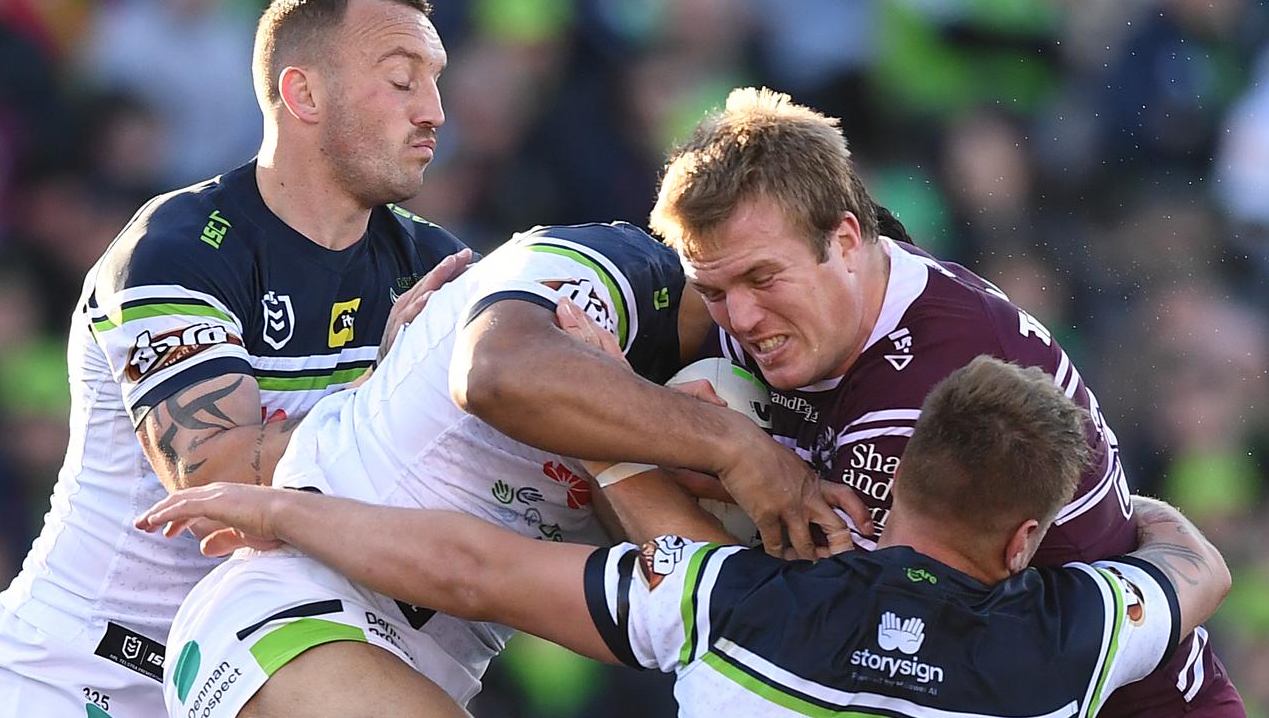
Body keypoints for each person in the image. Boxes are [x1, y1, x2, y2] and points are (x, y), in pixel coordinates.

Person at [136, 356, 1233, 716]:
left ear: (895, 478)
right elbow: (1194, 566)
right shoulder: (1069, 638)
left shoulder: (745, 598)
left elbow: (470, 569)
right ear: (1023, 539)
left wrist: (278, 509)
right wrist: (1132, 518)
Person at [619, 86, 1243, 716]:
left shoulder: (927, 397)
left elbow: (774, 626)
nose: (741, 318)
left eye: (761, 279)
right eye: (714, 290)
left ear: (843, 240)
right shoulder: (833, 301)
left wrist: (623, 457)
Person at [139, 220, 859, 718]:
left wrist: (625, 455)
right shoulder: (610, 277)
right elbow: (495, 372)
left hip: (409, 659)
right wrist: (732, 444)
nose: (713, 492)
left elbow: (693, 591)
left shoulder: (640, 453)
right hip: (284, 611)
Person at [0, 0, 473, 716]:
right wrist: (394, 394)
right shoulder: (174, 249)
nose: (434, 110)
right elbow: (216, 487)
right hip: (81, 676)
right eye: (402, 82)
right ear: (303, 93)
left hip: (275, 672)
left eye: (436, 80)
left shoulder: (436, 267)